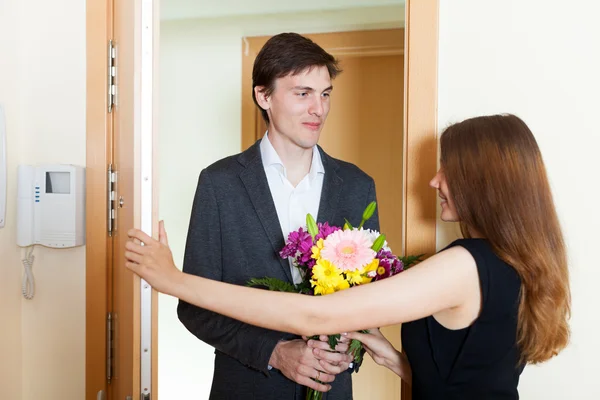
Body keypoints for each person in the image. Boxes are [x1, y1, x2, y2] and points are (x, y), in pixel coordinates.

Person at [125, 114, 571, 399]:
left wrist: (175, 280)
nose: (436, 182)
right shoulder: (512, 261)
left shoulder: (463, 265)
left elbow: (314, 317)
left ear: (483, 183)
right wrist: (389, 355)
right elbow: (470, 381)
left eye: (448, 170)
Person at [171, 32, 380, 399]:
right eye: (303, 93)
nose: (319, 108)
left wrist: (350, 348)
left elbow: (372, 299)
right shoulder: (219, 184)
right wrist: (274, 352)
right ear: (263, 96)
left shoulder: (357, 186)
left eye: (325, 94)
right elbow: (195, 307)